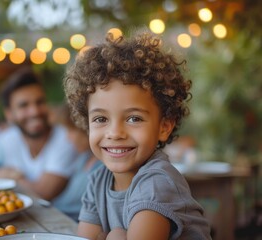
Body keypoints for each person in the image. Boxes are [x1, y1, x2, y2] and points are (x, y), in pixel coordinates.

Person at [63, 29, 212, 240]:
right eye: (101, 119)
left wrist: (114, 236)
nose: (115, 133)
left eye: (134, 118)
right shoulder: (98, 180)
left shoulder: (157, 183)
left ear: (164, 126)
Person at [0, 68, 79, 201]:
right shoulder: (7, 138)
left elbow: (43, 193)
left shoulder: (65, 138)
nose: (34, 111)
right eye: (24, 105)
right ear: (9, 114)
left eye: (40, 102)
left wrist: (13, 177)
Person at [51, 104, 102, 221]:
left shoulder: (103, 167)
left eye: (71, 131)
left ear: (84, 129)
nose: (68, 138)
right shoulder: (84, 158)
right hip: (57, 215)